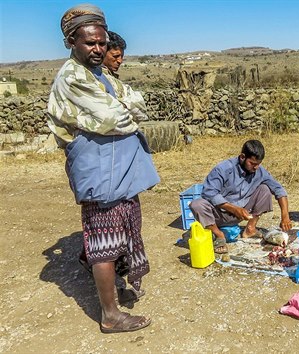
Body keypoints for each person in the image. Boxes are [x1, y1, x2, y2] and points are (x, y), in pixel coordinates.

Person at [48, 4, 159, 333]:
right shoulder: (71, 77)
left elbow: (137, 104)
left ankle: (111, 289)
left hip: (116, 169)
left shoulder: (99, 74)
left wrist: (118, 111)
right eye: (90, 43)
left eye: (102, 42)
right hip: (99, 171)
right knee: (103, 242)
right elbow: (118, 119)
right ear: (71, 41)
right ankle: (110, 315)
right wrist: (118, 113)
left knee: (118, 231)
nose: (98, 49)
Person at [190, 140, 291, 253]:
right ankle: (218, 234)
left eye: (259, 163)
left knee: (265, 189)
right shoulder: (223, 169)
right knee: (197, 204)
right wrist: (234, 209)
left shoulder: (259, 171)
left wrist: (285, 216)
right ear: (242, 157)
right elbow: (209, 192)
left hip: (242, 214)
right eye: (252, 163)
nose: (256, 167)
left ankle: (250, 229)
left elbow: (279, 190)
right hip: (218, 214)